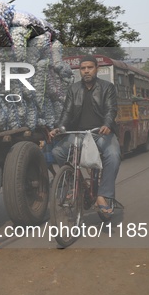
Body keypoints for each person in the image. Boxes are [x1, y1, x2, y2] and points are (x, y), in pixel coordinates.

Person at [50, 55, 122, 217]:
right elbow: (66, 112)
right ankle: (74, 182)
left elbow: (111, 110)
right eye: (83, 68)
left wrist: (107, 124)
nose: (86, 71)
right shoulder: (73, 89)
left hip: (100, 133)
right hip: (79, 134)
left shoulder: (107, 87)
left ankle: (103, 196)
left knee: (113, 155)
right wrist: (59, 128)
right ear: (80, 71)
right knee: (57, 152)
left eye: (90, 67)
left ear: (96, 68)